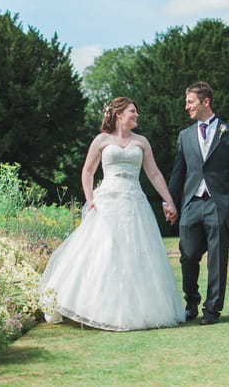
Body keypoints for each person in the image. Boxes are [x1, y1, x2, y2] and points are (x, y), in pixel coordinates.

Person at [38, 97, 186, 331]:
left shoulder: (142, 142)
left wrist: (169, 201)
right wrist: (90, 199)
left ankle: (138, 310)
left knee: (136, 254)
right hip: (107, 201)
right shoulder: (102, 140)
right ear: (118, 114)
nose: (136, 115)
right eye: (132, 111)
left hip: (135, 202)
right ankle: (90, 306)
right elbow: (87, 171)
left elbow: (155, 174)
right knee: (103, 252)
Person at [165, 81, 229, 326]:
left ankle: (212, 309)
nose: (186, 106)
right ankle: (191, 303)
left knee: (217, 260)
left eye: (190, 102)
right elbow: (179, 172)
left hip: (218, 203)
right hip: (191, 203)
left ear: (205, 102)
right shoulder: (185, 135)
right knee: (188, 255)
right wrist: (170, 202)